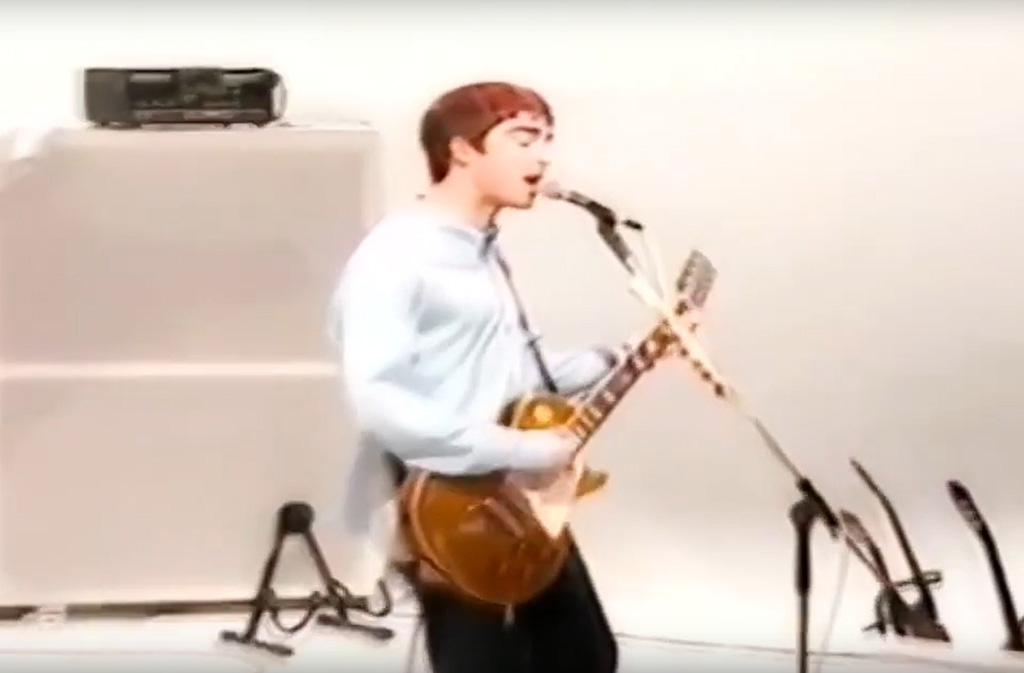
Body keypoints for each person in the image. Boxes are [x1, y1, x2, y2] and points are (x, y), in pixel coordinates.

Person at [328, 81, 621, 673]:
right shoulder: (398, 254)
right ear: (462, 150)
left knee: (580, 655)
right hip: (446, 503)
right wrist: (522, 448)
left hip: (508, 491)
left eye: (546, 140)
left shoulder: (479, 249)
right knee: (482, 661)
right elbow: (381, 396)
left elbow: (504, 369)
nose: (542, 158)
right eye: (524, 139)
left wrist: (614, 359)